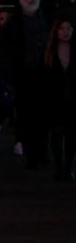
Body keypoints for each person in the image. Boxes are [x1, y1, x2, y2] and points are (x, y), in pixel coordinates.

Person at [0, 0, 50, 168]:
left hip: (44, 76)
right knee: (26, 117)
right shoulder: (14, 24)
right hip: (22, 77)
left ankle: (40, 153)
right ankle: (33, 154)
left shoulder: (46, 19)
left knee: (43, 117)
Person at [42, 15, 75, 181]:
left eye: (68, 28)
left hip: (70, 99)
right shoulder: (49, 53)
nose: (65, 32)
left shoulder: (50, 53)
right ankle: (60, 166)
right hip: (55, 99)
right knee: (56, 133)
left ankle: (67, 167)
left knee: (70, 135)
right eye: (62, 28)